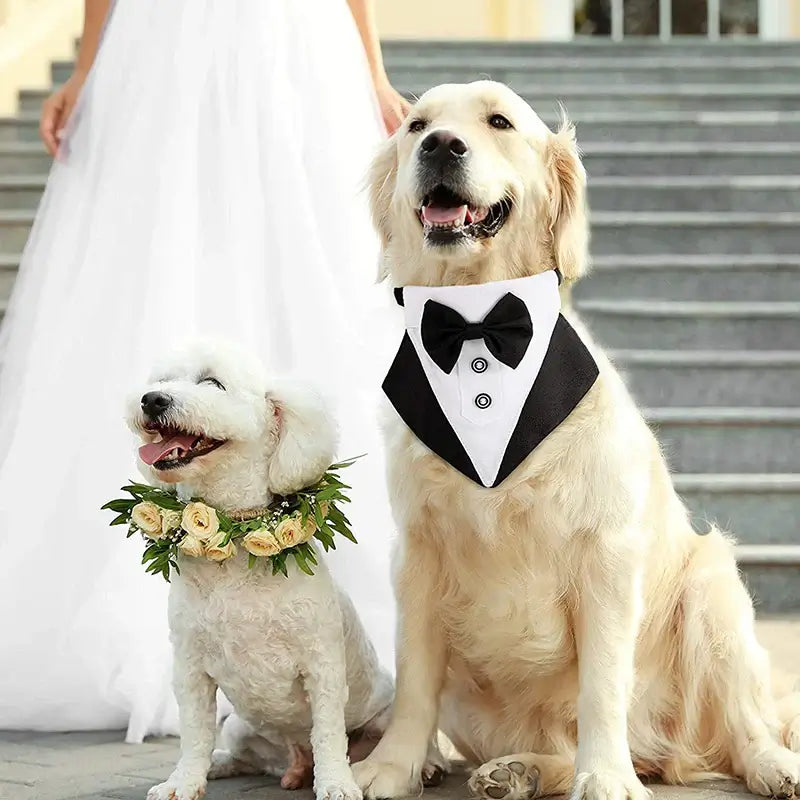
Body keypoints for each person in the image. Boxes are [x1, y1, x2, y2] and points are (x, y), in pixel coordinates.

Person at [0, 0, 407, 743]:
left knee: (301, 266)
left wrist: (373, 73)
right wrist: (87, 72)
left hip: (285, 40)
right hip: (169, 43)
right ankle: (184, 611)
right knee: (160, 259)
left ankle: (311, 619)